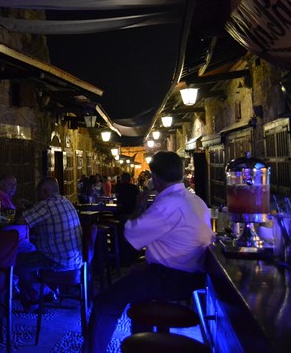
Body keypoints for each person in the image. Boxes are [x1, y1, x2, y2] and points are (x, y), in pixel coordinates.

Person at [84, 151, 215, 353]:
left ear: (155, 177)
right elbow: (177, 242)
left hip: (171, 279)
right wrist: (147, 263)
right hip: (193, 275)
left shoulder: (168, 203)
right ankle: (143, 343)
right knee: (138, 292)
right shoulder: (196, 201)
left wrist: (140, 205)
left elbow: (131, 234)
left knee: (104, 302)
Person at [15, 177, 83, 311]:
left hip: (58, 260)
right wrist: (32, 206)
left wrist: (19, 208)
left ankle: (40, 295)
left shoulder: (46, 205)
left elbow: (20, 221)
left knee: (16, 262)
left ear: (44, 191)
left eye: (38, 192)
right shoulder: (65, 201)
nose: (37, 195)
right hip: (75, 259)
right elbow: (42, 212)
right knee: (28, 257)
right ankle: (41, 293)